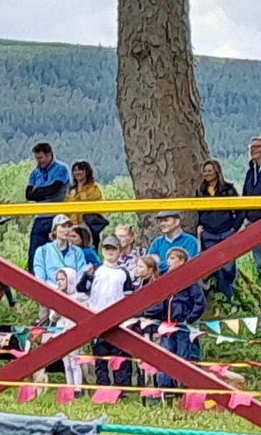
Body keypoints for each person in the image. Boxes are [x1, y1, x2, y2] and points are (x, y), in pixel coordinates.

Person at [144, 248, 206, 390]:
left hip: (183, 326)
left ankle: (186, 388)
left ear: (182, 261)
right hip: (166, 326)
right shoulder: (165, 279)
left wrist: (189, 319)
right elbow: (160, 302)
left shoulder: (190, 280)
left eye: (172, 258)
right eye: (168, 258)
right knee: (166, 356)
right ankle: (166, 388)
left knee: (184, 356)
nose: (169, 262)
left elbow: (200, 302)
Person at [78, 235, 135, 387]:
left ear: (119, 251)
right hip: (97, 319)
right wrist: (86, 275)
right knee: (100, 358)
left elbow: (130, 298)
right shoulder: (96, 270)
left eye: (113, 248)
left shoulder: (124, 273)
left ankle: (122, 388)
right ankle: (102, 387)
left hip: (118, 322)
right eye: (107, 248)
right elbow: (81, 288)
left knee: (120, 358)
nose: (110, 251)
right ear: (102, 250)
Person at [196, 159, 243, 306]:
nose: (207, 174)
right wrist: (200, 227)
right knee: (216, 267)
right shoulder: (200, 191)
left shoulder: (228, 189)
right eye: (205, 171)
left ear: (217, 171)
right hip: (209, 234)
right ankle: (228, 301)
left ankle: (229, 294)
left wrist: (234, 228)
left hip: (226, 233)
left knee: (228, 268)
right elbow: (197, 211)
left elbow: (240, 210)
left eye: (210, 170)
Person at [25, 142, 70, 272]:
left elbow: (54, 190)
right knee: (34, 252)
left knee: (56, 251)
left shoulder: (61, 169)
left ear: (49, 155)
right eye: (37, 158)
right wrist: (43, 192)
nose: (39, 161)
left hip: (56, 217)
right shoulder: (35, 173)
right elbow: (28, 194)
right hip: (39, 217)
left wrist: (38, 192)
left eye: (41, 158)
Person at [51, 267, 84, 390]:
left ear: (69, 280)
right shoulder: (56, 296)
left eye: (62, 279)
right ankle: (69, 387)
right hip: (61, 332)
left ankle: (78, 388)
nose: (60, 282)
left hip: (74, 332)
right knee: (66, 362)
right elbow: (52, 317)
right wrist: (55, 315)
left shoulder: (79, 298)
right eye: (58, 279)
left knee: (74, 361)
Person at [65, 160, 108, 239]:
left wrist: (76, 196)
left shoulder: (93, 187)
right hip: (73, 224)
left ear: (87, 172)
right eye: (75, 170)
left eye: (80, 169)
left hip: (89, 225)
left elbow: (88, 202)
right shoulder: (70, 189)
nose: (78, 172)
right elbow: (66, 206)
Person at [244, 137, 261, 284]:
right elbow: (245, 196)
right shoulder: (251, 172)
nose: (253, 150)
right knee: (259, 263)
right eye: (251, 147)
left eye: (257, 147)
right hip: (254, 224)